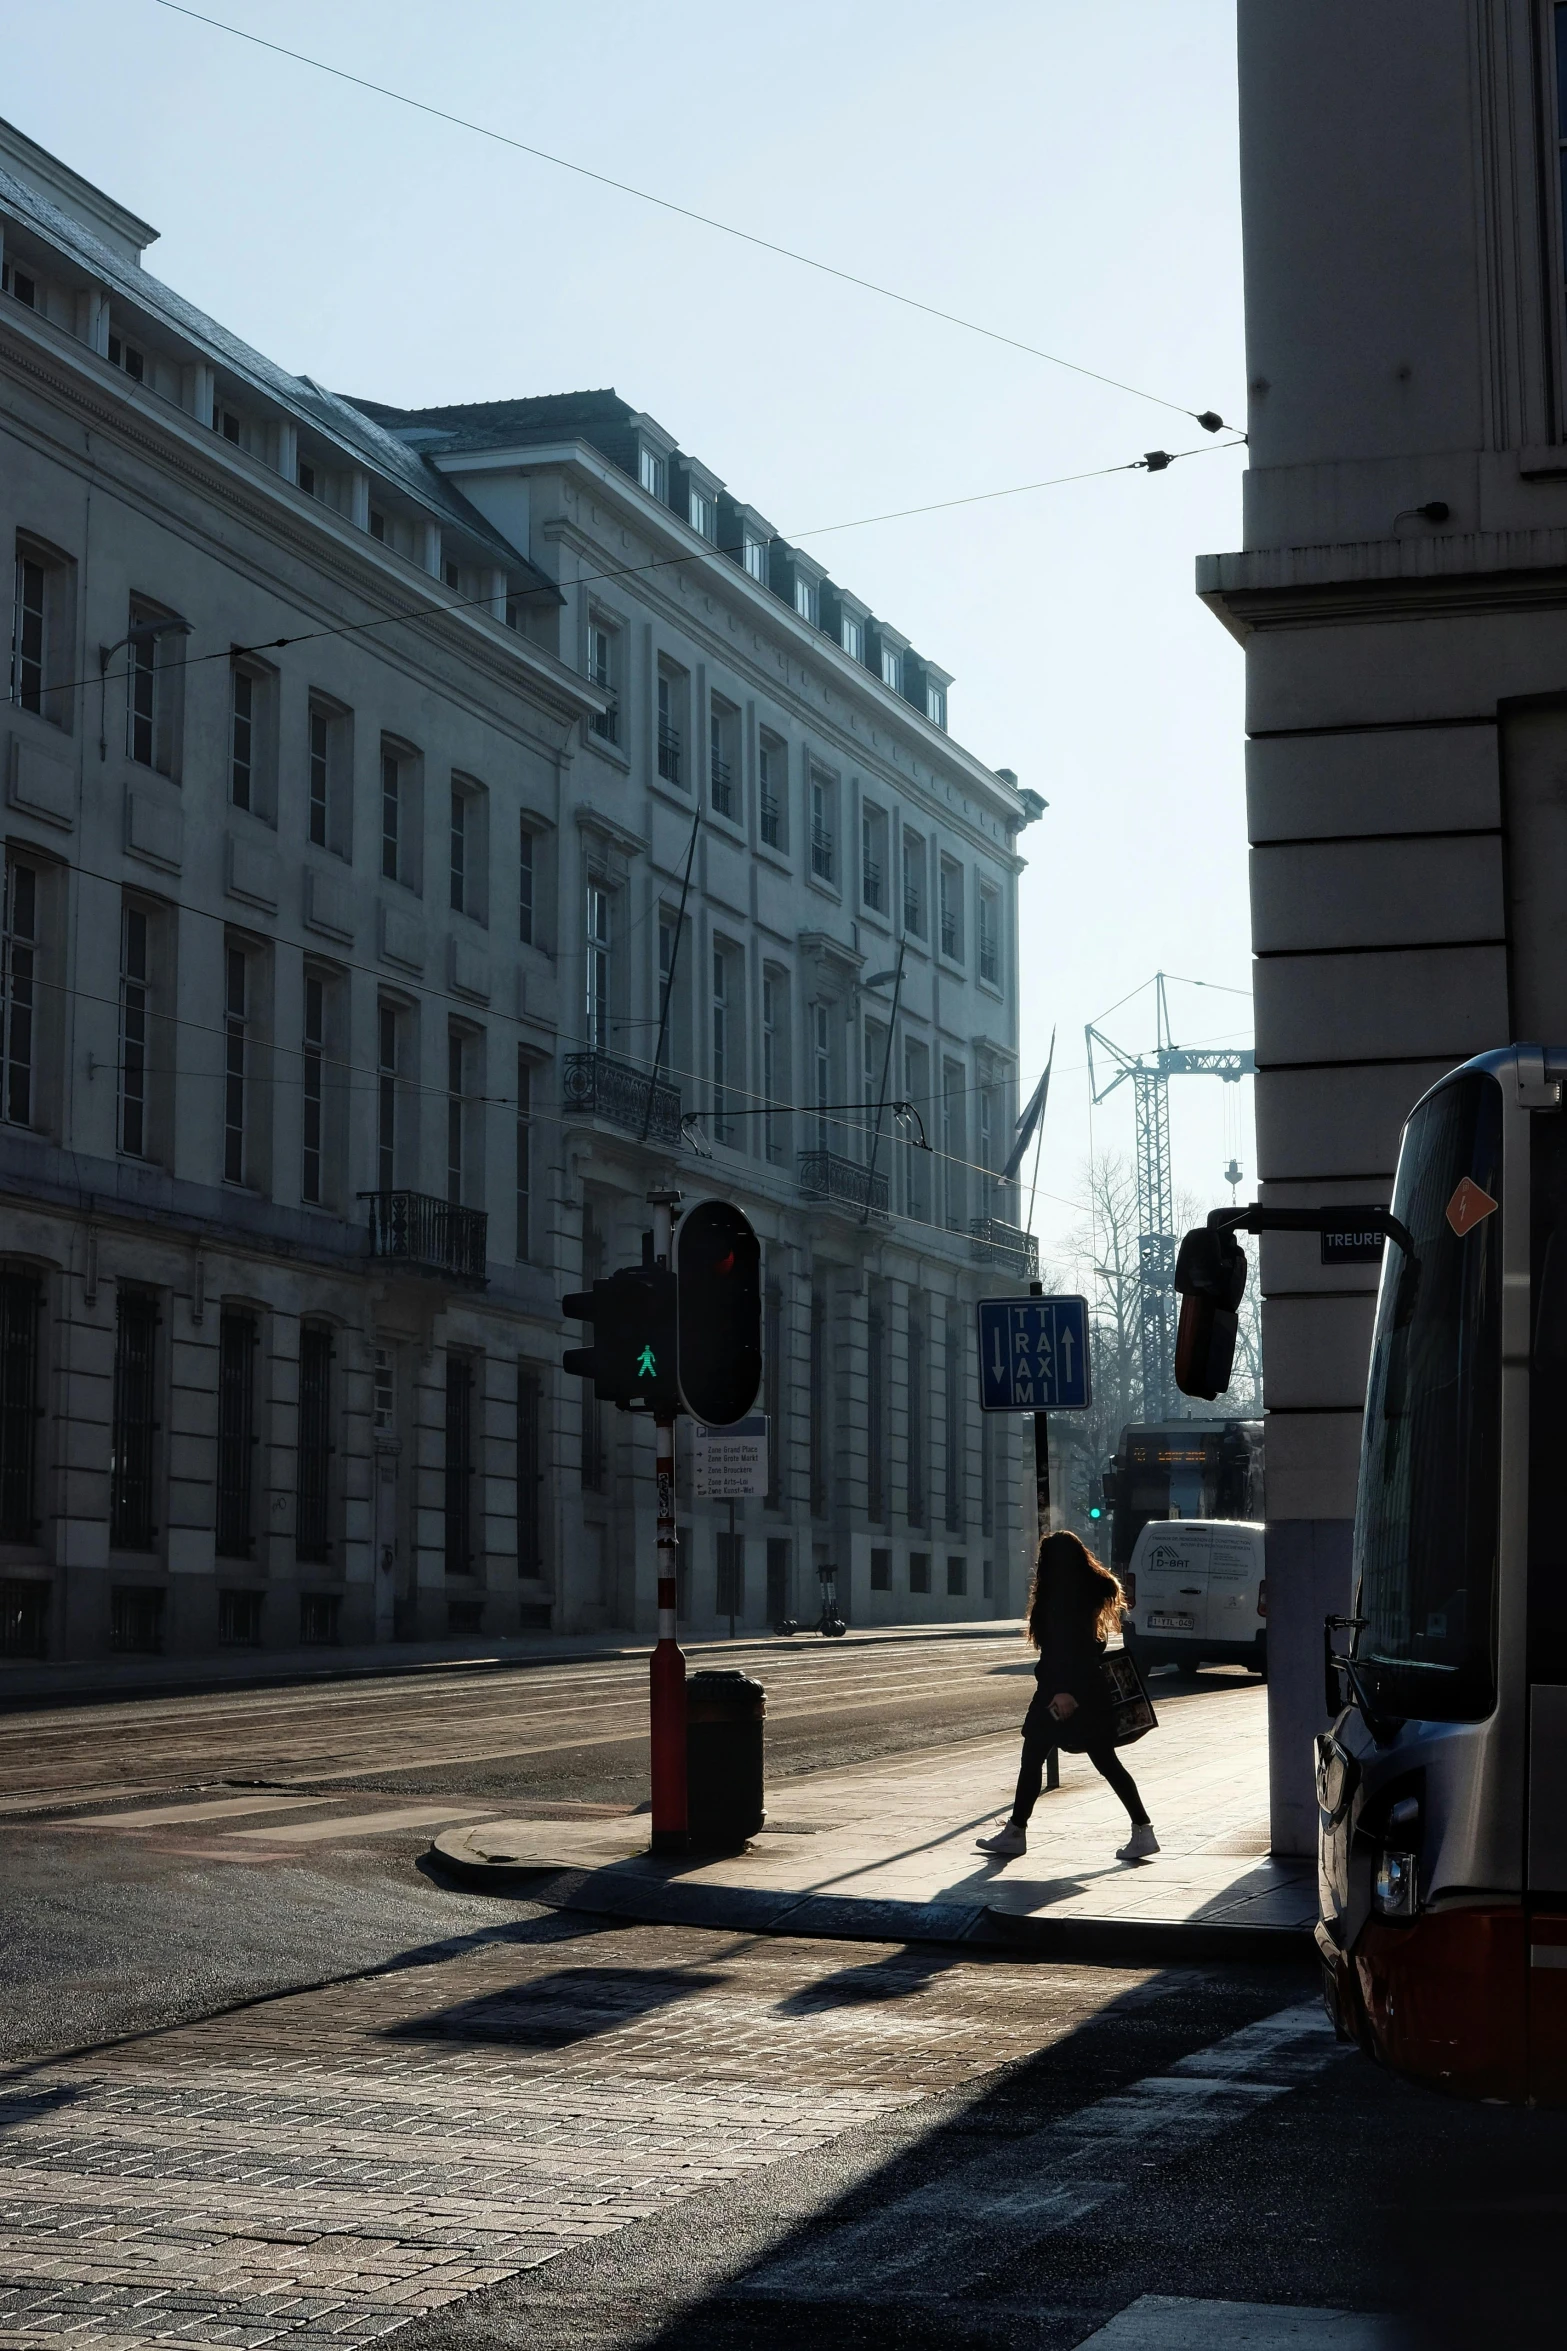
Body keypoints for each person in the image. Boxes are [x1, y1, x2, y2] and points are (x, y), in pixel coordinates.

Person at [976, 1529, 1158, 1862]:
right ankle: (1142, 1830)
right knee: (1104, 1761)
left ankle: (1016, 1833)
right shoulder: (1088, 1592)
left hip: (1060, 1694)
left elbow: (1063, 1649)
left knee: (1033, 1758)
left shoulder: (1059, 1596)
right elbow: (1088, 1646)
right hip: (1087, 1690)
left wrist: (1062, 1691)